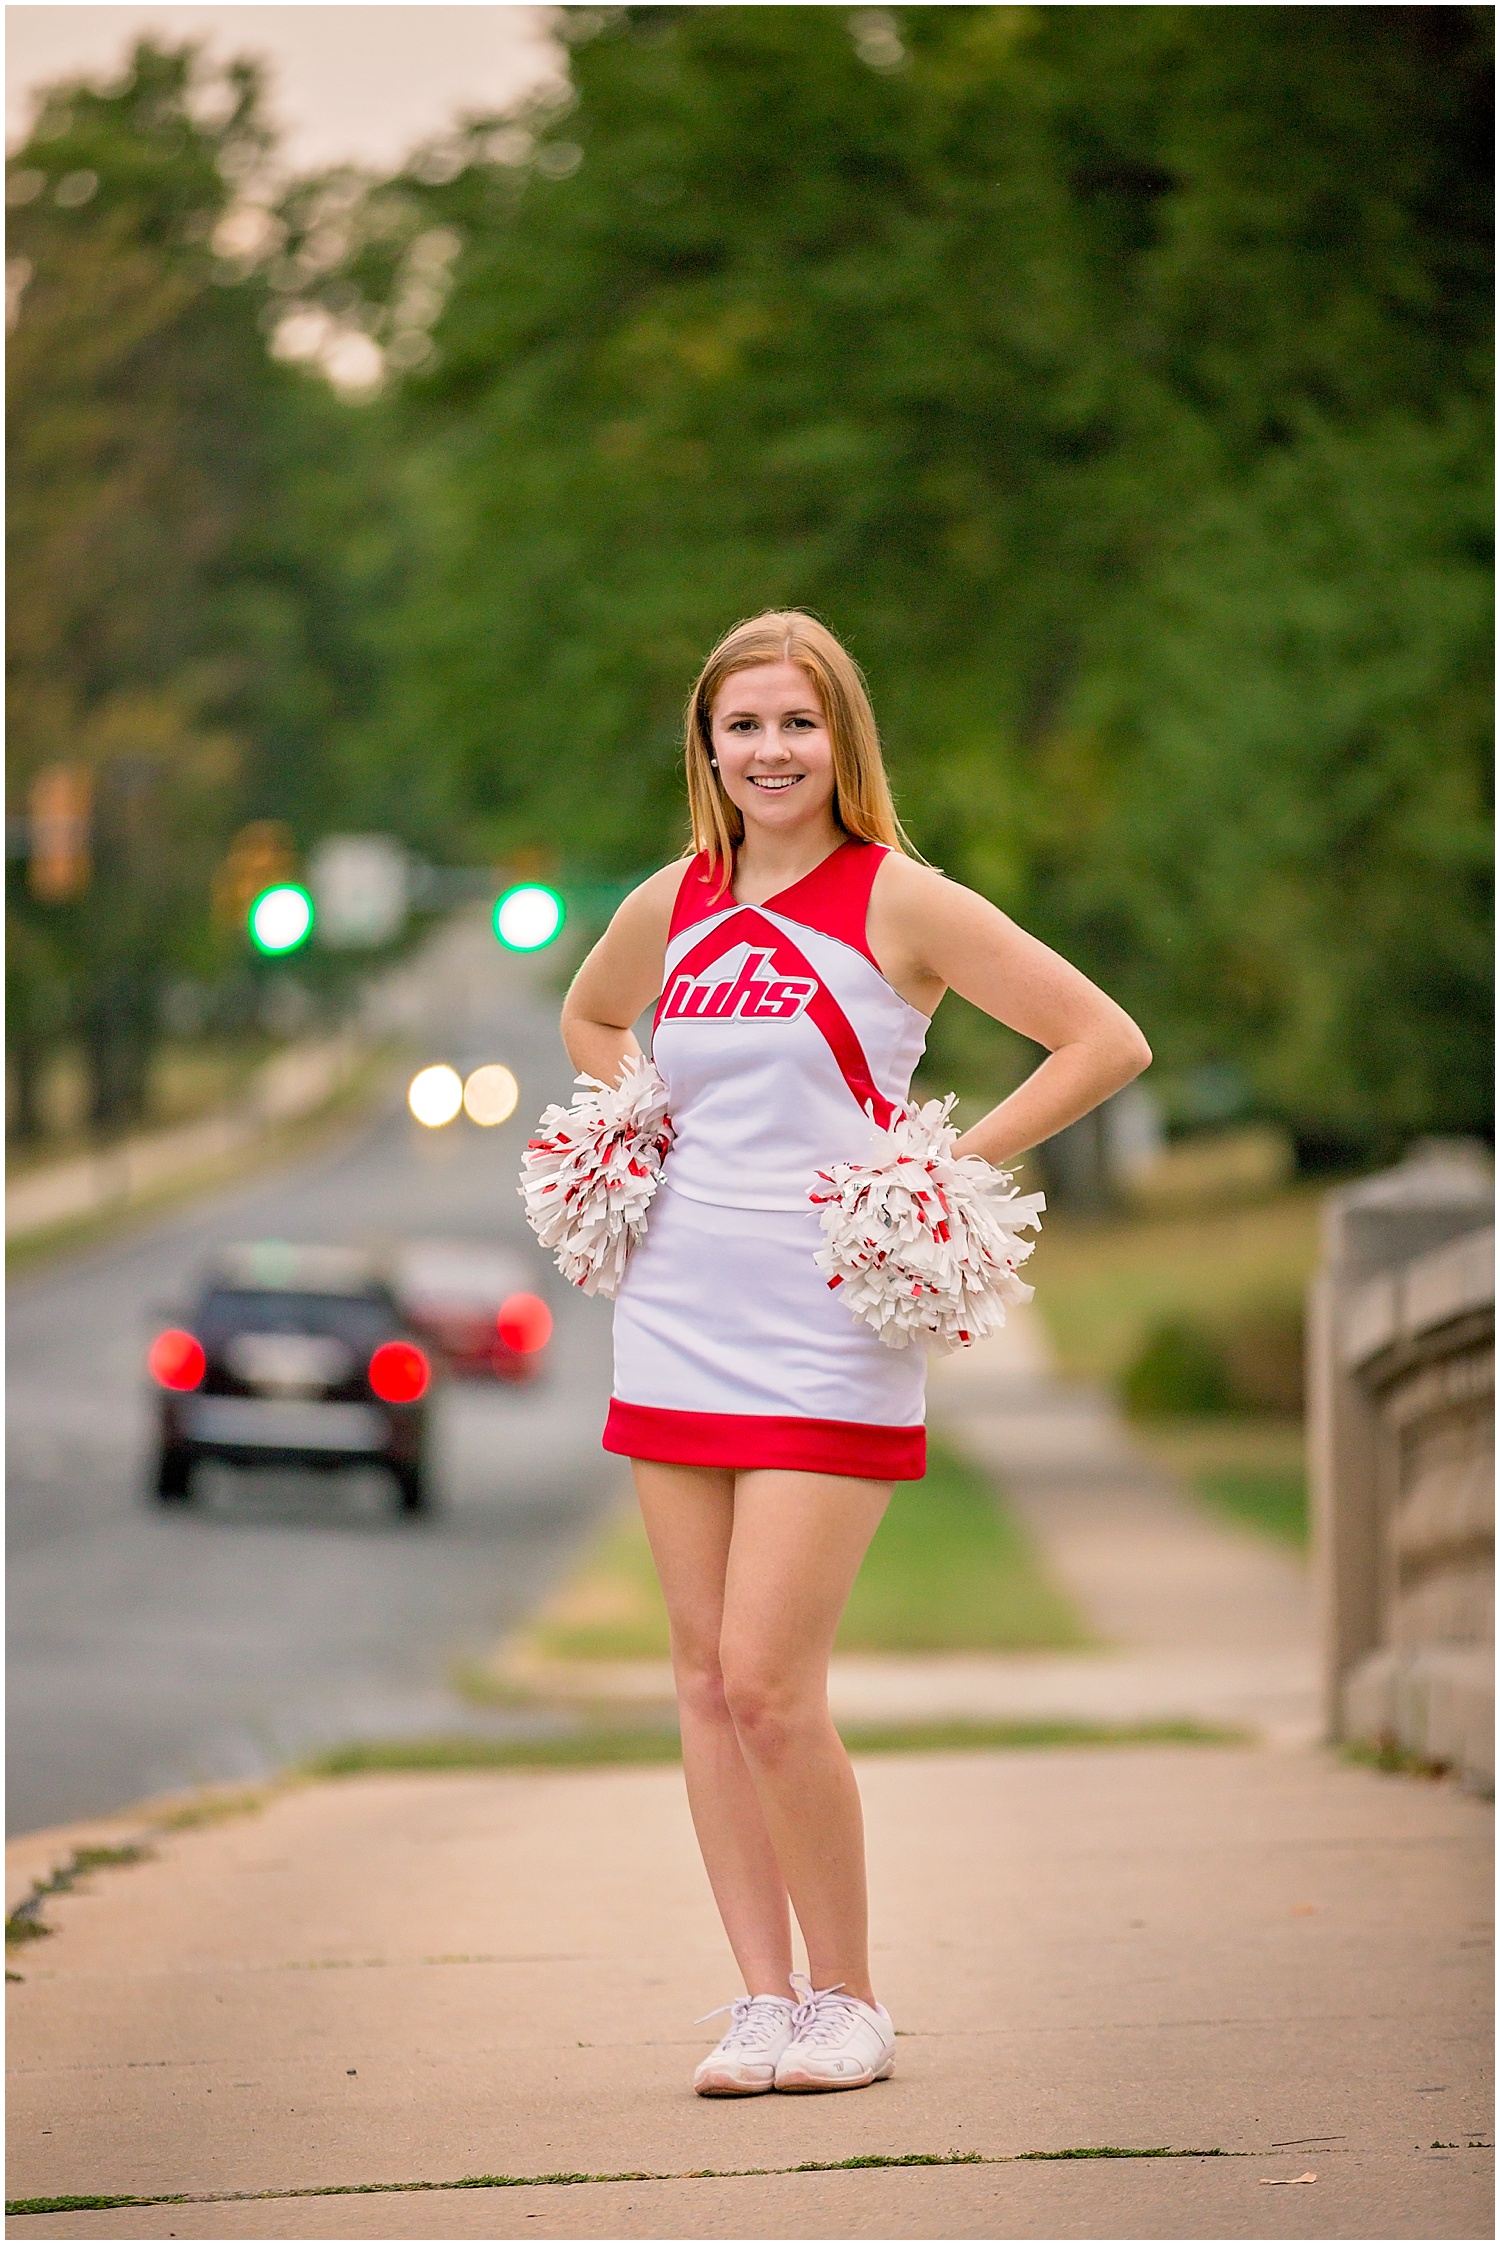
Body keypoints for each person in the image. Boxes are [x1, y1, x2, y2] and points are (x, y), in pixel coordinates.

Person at [559, 610, 1150, 2096]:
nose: (770, 750)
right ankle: (764, 2000)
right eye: (742, 724)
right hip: (676, 1316)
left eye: (797, 724)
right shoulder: (672, 902)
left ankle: (856, 1999)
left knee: (769, 1679)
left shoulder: (900, 899)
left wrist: (939, 1167)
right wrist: (629, 1124)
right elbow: (588, 1011)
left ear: (843, 743)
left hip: (830, 1323)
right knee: (697, 1675)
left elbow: (1101, 1040)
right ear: (706, 744)